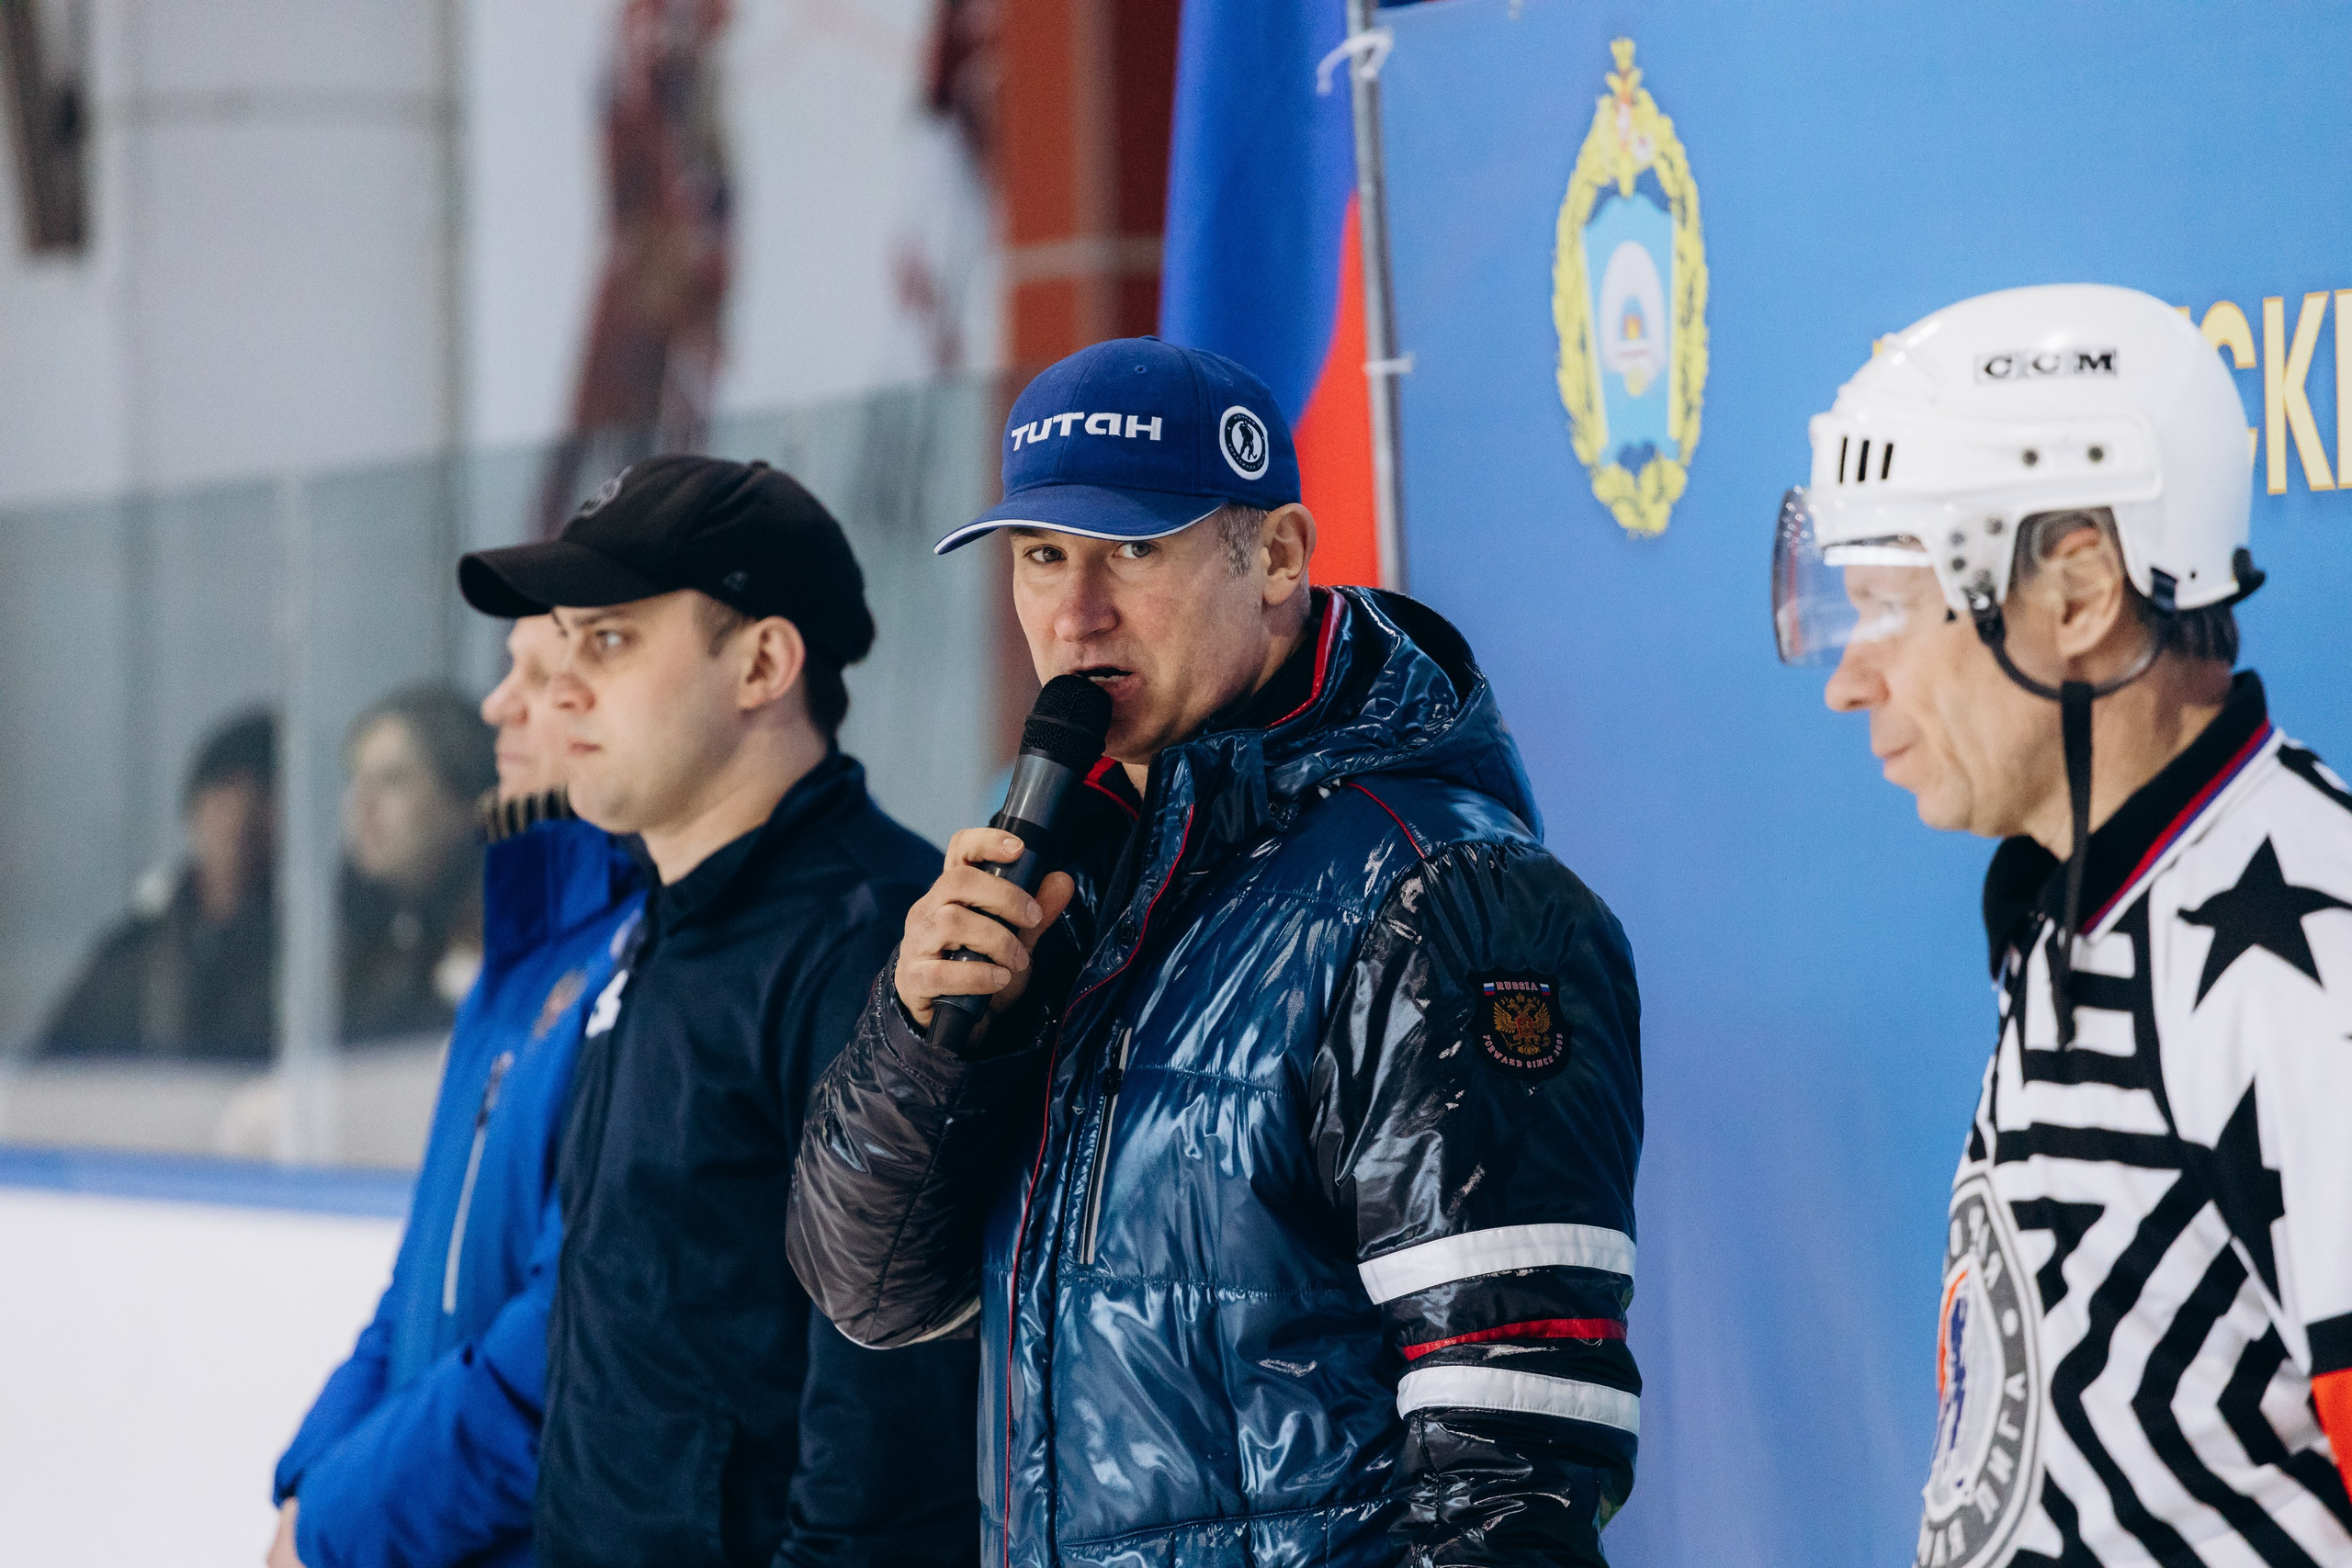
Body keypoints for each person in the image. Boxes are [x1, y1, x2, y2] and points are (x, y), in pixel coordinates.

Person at [787, 339, 1645, 1568]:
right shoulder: (1077, 883)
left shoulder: (1441, 894)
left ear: (1280, 556)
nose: (1075, 612)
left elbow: (1515, 1453)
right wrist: (932, 1039)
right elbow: (871, 1292)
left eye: (1133, 549)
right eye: (1041, 555)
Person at [1771, 284, 2352, 1566]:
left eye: (1885, 609)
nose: (1848, 678)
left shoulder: (2305, 950)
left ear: (2082, 589)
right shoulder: (2085, 912)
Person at [457, 457, 980, 1568]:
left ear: (762, 664)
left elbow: (889, 1449)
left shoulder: (875, 948)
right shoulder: (660, 925)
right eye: (563, 643)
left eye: (610, 641)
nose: (558, 690)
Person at [266, 617, 643, 1568]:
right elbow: (415, 1283)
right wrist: (314, 1479)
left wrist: (337, 1519)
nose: (500, 705)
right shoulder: (513, 964)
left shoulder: (637, 961)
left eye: (542, 677)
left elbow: (557, 1352)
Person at [38, 707, 278, 1062]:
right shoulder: (134, 956)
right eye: (223, 793)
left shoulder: (323, 954)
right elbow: (51, 1071)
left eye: (263, 796)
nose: (240, 817)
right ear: (192, 810)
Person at [340, 685, 498, 1042]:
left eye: (392, 781)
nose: (363, 804)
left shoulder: (504, 930)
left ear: (463, 799)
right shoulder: (353, 933)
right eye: (356, 779)